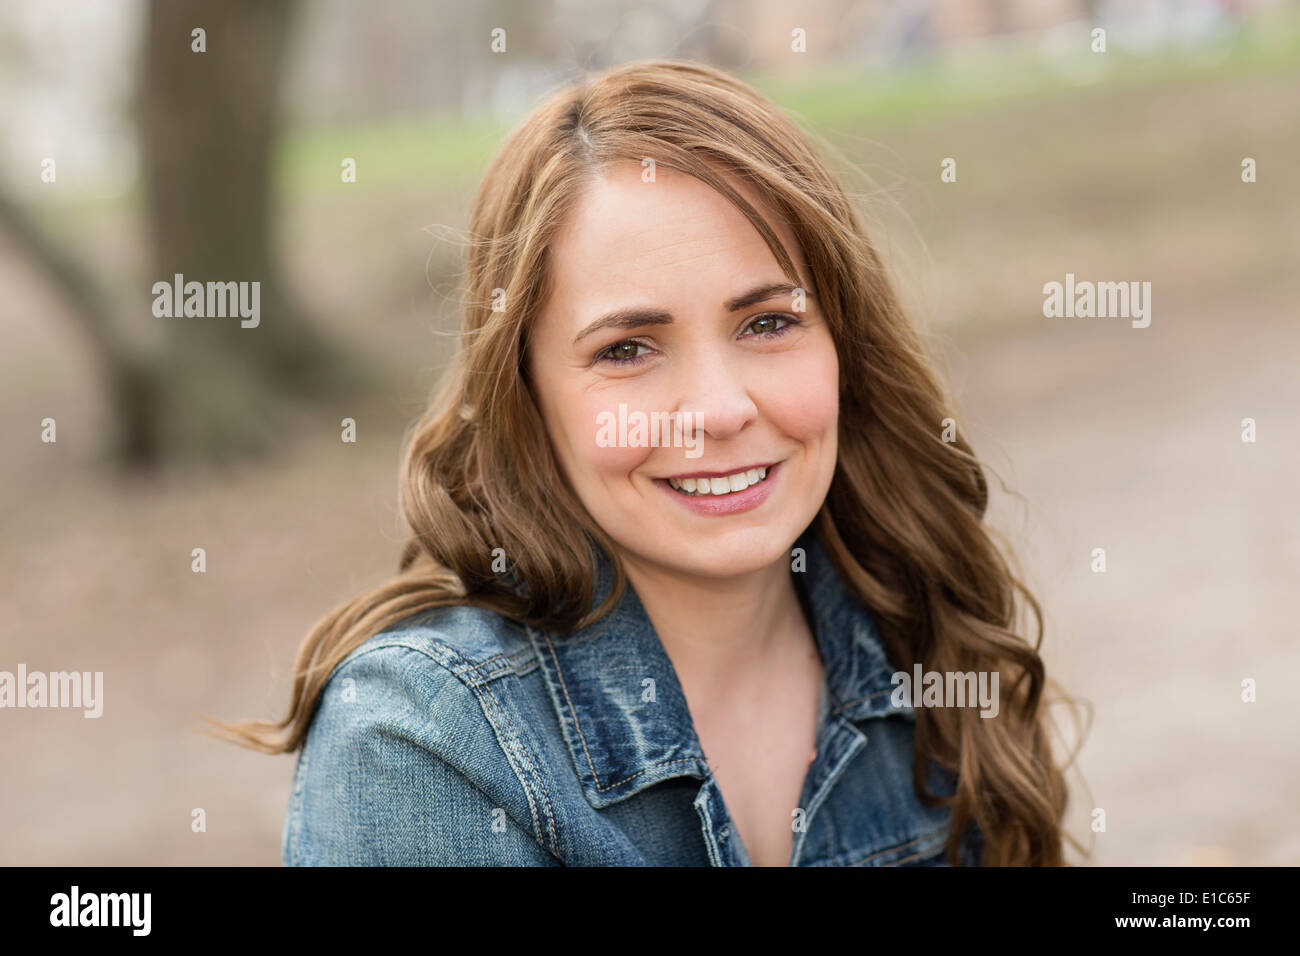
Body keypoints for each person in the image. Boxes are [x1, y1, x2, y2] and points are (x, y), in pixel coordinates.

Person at [208, 59, 1077, 866]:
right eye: (628, 349)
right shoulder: (425, 740)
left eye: (768, 323)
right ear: (527, 397)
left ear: (844, 345)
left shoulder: (925, 641)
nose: (720, 412)